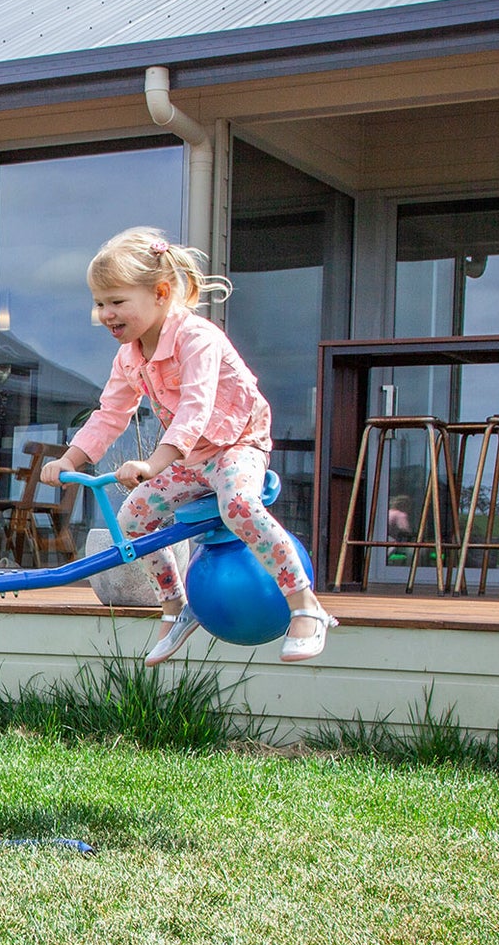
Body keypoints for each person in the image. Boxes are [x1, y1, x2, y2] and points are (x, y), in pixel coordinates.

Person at [41, 227, 338, 665]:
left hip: (237, 444)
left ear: (160, 293)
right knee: (132, 519)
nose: (106, 313)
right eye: (100, 303)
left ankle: (303, 606)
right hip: (192, 459)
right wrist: (70, 457)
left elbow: (195, 410)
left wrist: (154, 463)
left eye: (117, 302)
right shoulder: (128, 357)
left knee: (238, 504)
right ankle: (176, 606)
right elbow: (110, 414)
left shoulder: (197, 338)